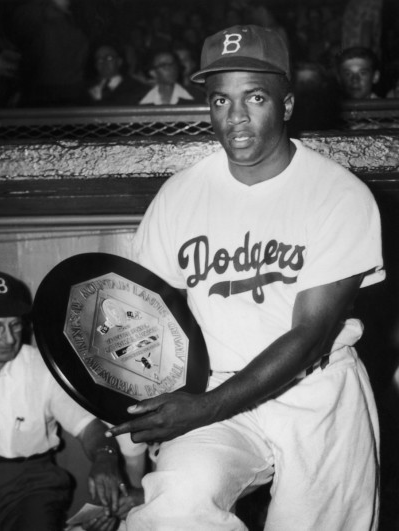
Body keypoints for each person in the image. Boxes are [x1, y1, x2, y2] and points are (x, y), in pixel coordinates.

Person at [108, 25, 385, 530]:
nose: (235, 118)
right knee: (172, 510)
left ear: (286, 104)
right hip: (214, 389)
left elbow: (310, 335)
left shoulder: (338, 194)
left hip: (316, 395)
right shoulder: (180, 195)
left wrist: (204, 408)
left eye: (254, 97)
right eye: (220, 100)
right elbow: (141, 312)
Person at [0, 271, 132, 531]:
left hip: (30, 483)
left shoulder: (40, 367)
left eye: (15, 325)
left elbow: (89, 428)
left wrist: (105, 458)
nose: (10, 339)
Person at [139, 50, 205, 105]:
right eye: (164, 65)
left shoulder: (197, 96)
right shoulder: (140, 100)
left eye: (173, 64)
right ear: (153, 73)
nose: (171, 69)